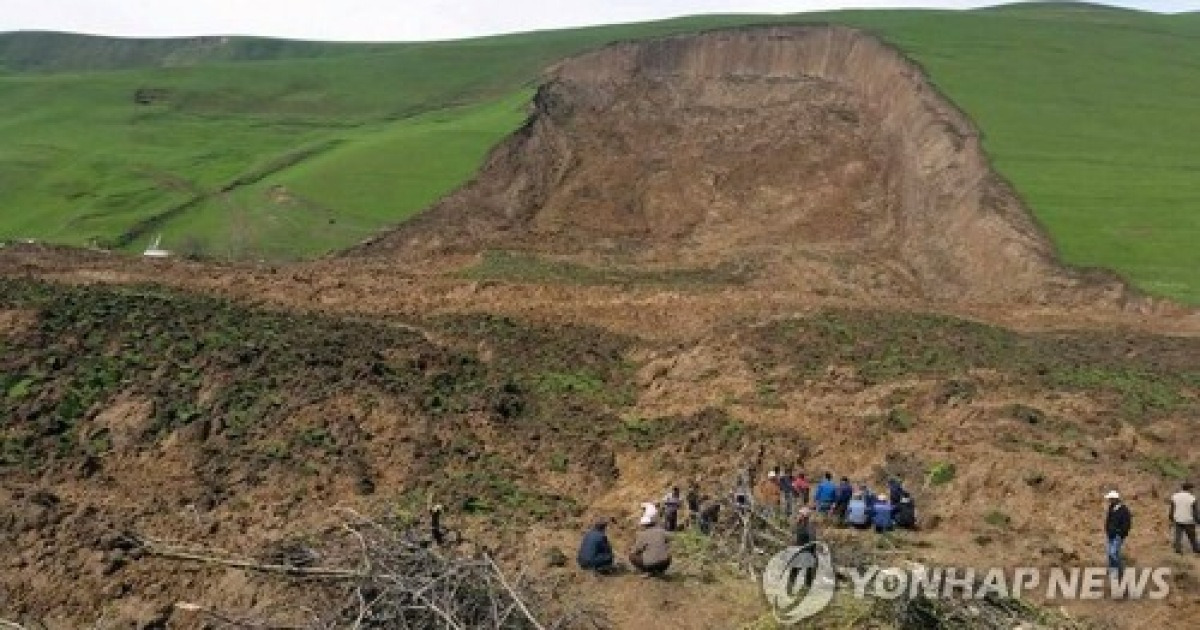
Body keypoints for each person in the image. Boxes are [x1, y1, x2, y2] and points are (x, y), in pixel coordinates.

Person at [790, 508, 819, 589]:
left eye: (800, 514)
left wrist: (806, 549)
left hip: (807, 549)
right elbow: (797, 536)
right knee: (795, 566)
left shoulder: (809, 526)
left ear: (804, 516)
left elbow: (812, 539)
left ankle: (807, 585)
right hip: (800, 548)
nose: (798, 515)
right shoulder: (799, 524)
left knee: (808, 568)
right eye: (799, 514)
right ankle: (792, 581)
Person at [1105, 490, 1132, 577]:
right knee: (1111, 553)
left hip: (1117, 535)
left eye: (1111, 499)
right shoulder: (1111, 508)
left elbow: (1127, 524)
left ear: (1116, 499)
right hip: (1110, 534)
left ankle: (1118, 570)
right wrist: (1107, 529)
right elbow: (1108, 520)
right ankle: (1114, 571)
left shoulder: (1123, 510)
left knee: (1113, 553)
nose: (1109, 500)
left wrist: (1120, 533)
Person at [1168, 482, 1199, 554]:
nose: (1193, 490)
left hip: (1178, 520)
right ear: (1189, 489)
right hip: (1189, 521)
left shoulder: (1175, 496)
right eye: (1192, 489)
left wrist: (1171, 518)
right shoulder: (1192, 498)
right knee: (1192, 537)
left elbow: (1172, 509)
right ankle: (1196, 550)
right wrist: (1198, 521)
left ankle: (1177, 550)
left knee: (1178, 536)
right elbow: (1195, 512)